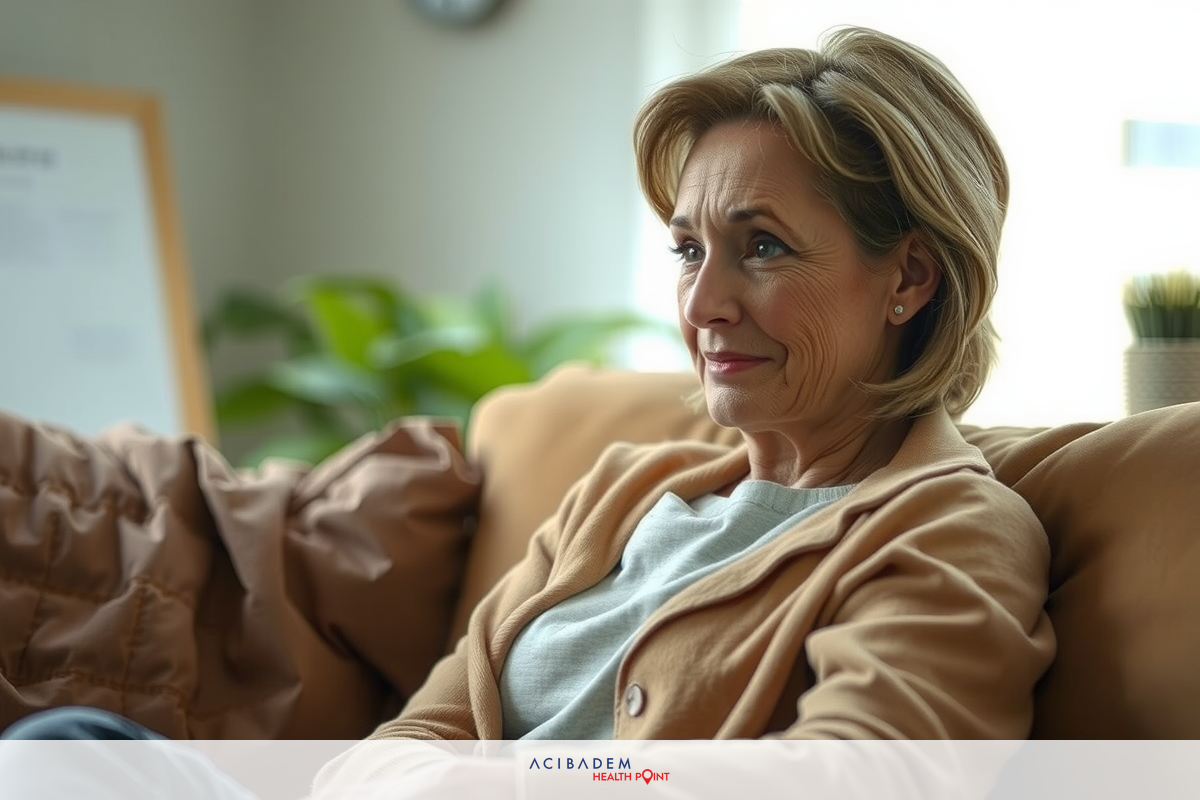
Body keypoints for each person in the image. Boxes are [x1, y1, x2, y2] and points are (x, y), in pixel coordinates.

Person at [1, 25, 1053, 800]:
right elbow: (407, 736)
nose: (702, 303)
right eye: (690, 248)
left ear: (909, 276)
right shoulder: (625, 490)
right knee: (65, 747)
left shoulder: (947, 529)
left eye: (762, 245)